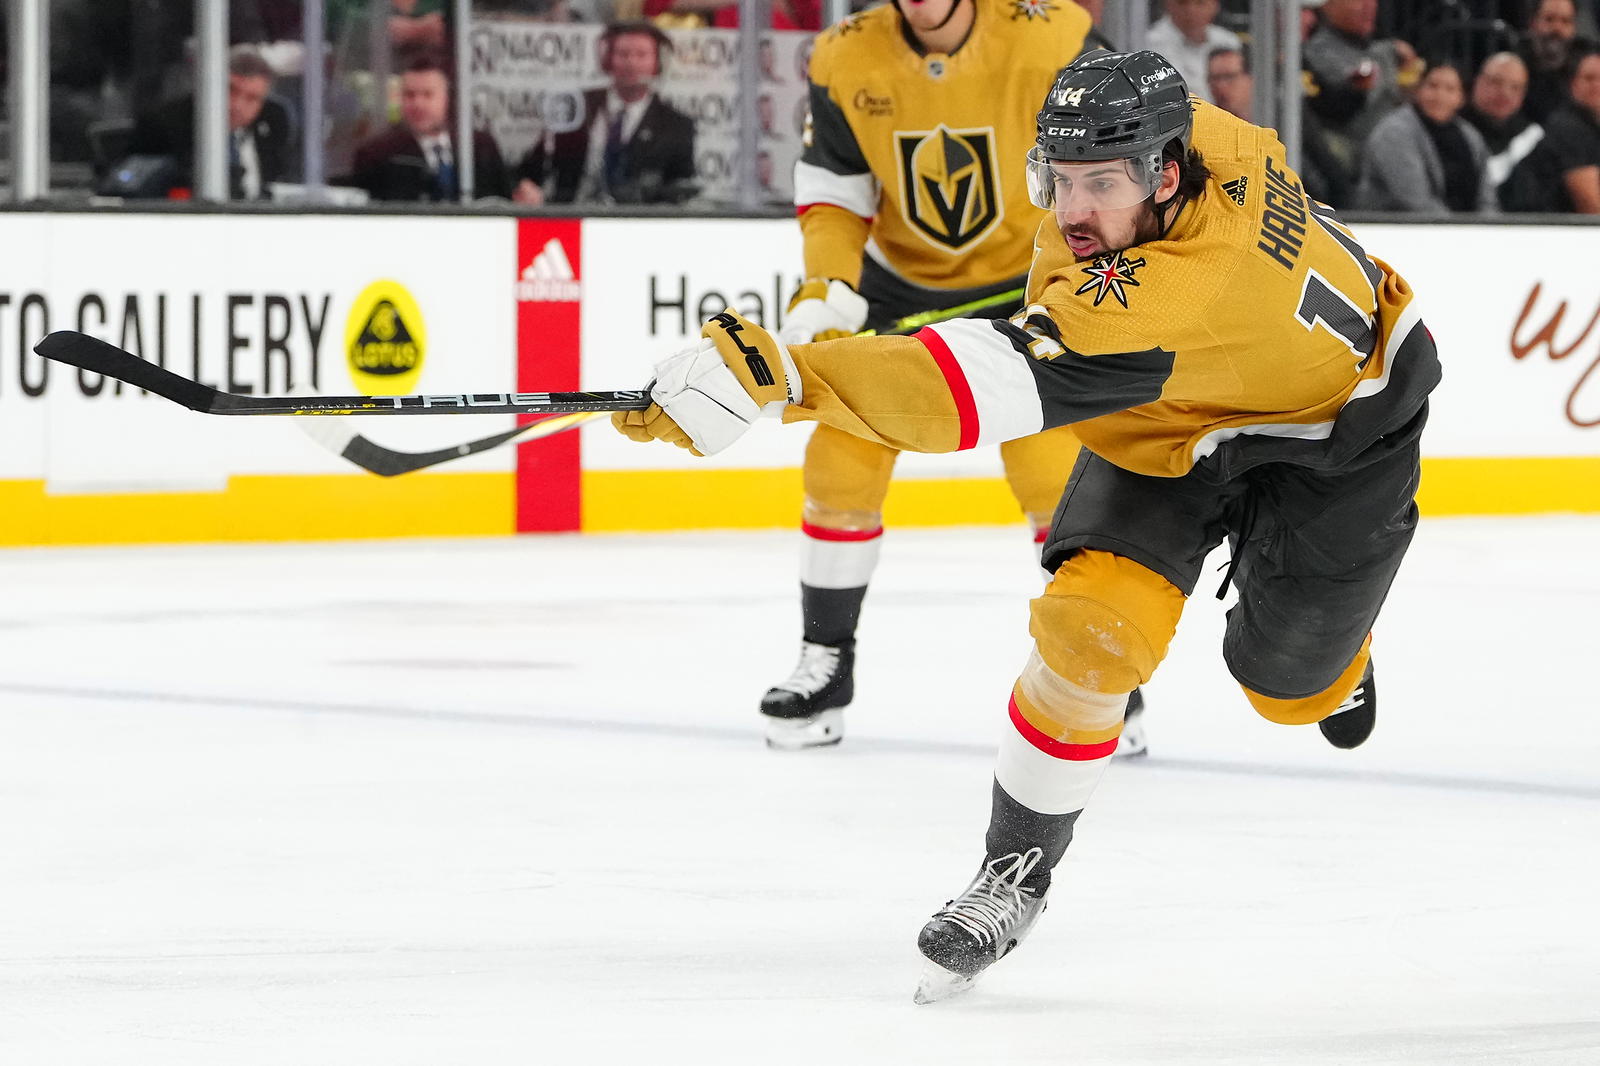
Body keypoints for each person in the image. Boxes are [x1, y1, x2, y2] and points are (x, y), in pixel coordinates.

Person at [612, 50, 1440, 1001]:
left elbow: (966, 392)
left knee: (1286, 687)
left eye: (1104, 184)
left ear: (1166, 175)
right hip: (1174, 416)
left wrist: (790, 380)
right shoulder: (1201, 142)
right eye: (1061, 178)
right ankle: (1015, 872)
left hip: (1337, 437)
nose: (1075, 211)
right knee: (1089, 632)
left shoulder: (1174, 291)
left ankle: (1328, 660)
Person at [768, 0, 1131, 753]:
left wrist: (1084, 274)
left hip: (1030, 281)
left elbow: (1116, 164)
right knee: (843, 452)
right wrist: (827, 287)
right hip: (900, 288)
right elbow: (836, 195)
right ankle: (826, 660)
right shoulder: (843, 56)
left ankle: (1091, 671)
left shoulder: (1054, 35)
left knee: (1051, 471)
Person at [512, 22, 696, 206]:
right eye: (623, 54)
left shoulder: (676, 125)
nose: (631, 62)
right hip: (572, 216)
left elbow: (680, 188)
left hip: (637, 224)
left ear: (658, 62)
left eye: (641, 55)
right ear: (607, 59)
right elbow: (531, 168)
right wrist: (526, 186)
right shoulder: (577, 105)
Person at [123, 48, 293, 200]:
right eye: (231, 90)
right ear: (209, 85)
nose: (237, 105)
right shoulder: (164, 125)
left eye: (252, 98)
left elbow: (286, 183)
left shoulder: (274, 122)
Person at [346, 53, 512, 202]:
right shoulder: (377, 155)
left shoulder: (480, 146)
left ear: (446, 99)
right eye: (409, 95)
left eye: (427, 95)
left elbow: (504, 202)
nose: (418, 104)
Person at [1303, 0, 1426, 194]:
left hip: (1405, 149)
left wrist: (1410, 77)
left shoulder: (1387, 50)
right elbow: (1334, 111)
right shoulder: (1317, 53)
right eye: (1357, 0)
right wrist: (1355, 90)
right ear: (1327, 5)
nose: (1368, 6)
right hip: (1356, 158)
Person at [1356, 60, 1495, 214]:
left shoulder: (1470, 136)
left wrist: (1488, 227)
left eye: (1450, 89)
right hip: (1399, 229)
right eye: (1432, 86)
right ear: (1418, 89)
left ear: (1461, 98)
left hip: (1465, 231)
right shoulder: (1394, 132)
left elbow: (1487, 198)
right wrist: (1459, 231)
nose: (1439, 96)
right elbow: (1415, 200)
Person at [1461, 52, 1548, 209]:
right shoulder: (1455, 130)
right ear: (1478, 82)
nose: (1505, 93)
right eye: (1496, 82)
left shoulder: (1532, 138)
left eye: (1515, 87)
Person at [1536, 44, 1600, 212]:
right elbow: (1591, 206)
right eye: (1589, 78)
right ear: (1573, 85)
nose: (1596, 85)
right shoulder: (1568, 127)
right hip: (1541, 227)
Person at [1145, 0, 1243, 103]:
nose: (1191, 10)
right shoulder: (1150, 45)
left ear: (1215, 5)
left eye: (1200, 3)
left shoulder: (1229, 41)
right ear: (1168, 4)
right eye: (1182, 3)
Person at [1518, 0, 1581, 123]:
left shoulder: (1585, 68)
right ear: (1533, 24)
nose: (1557, 28)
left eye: (1565, 21)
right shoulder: (1515, 65)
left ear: (1574, 28)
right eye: (1549, 19)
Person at [1206, 45, 1252, 120]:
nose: (1220, 86)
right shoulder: (1203, 126)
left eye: (1229, 77)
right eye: (1215, 78)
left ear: (1250, 79)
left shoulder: (1274, 120)